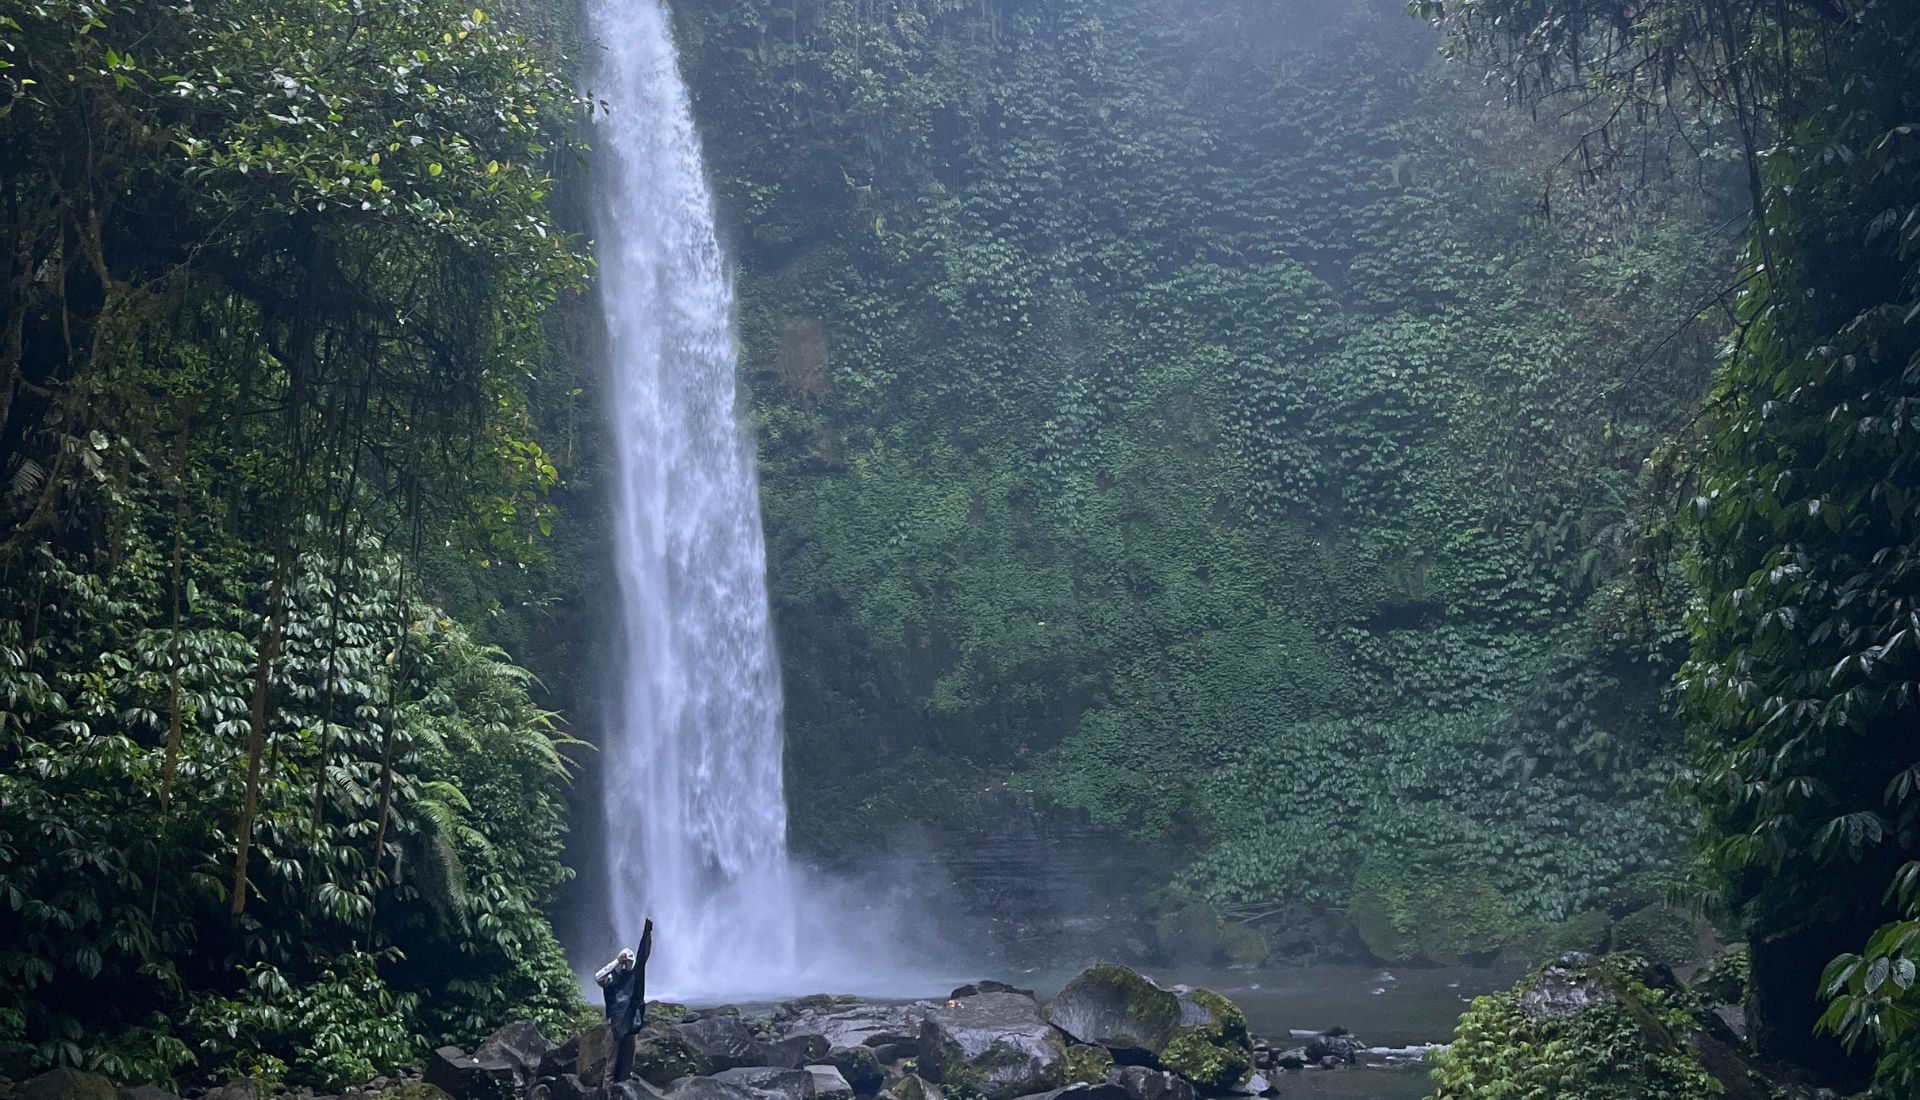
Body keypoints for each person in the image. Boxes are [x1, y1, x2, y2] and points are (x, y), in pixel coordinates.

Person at [595, 918, 653, 1084]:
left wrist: (647, 931)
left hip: (631, 1023)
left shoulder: (636, 977)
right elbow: (598, 977)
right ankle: (607, 1092)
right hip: (618, 1024)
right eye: (624, 961)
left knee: (627, 1063)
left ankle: (623, 1090)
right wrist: (616, 961)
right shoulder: (614, 979)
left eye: (628, 961)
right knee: (612, 1062)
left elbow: (643, 955)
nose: (626, 964)